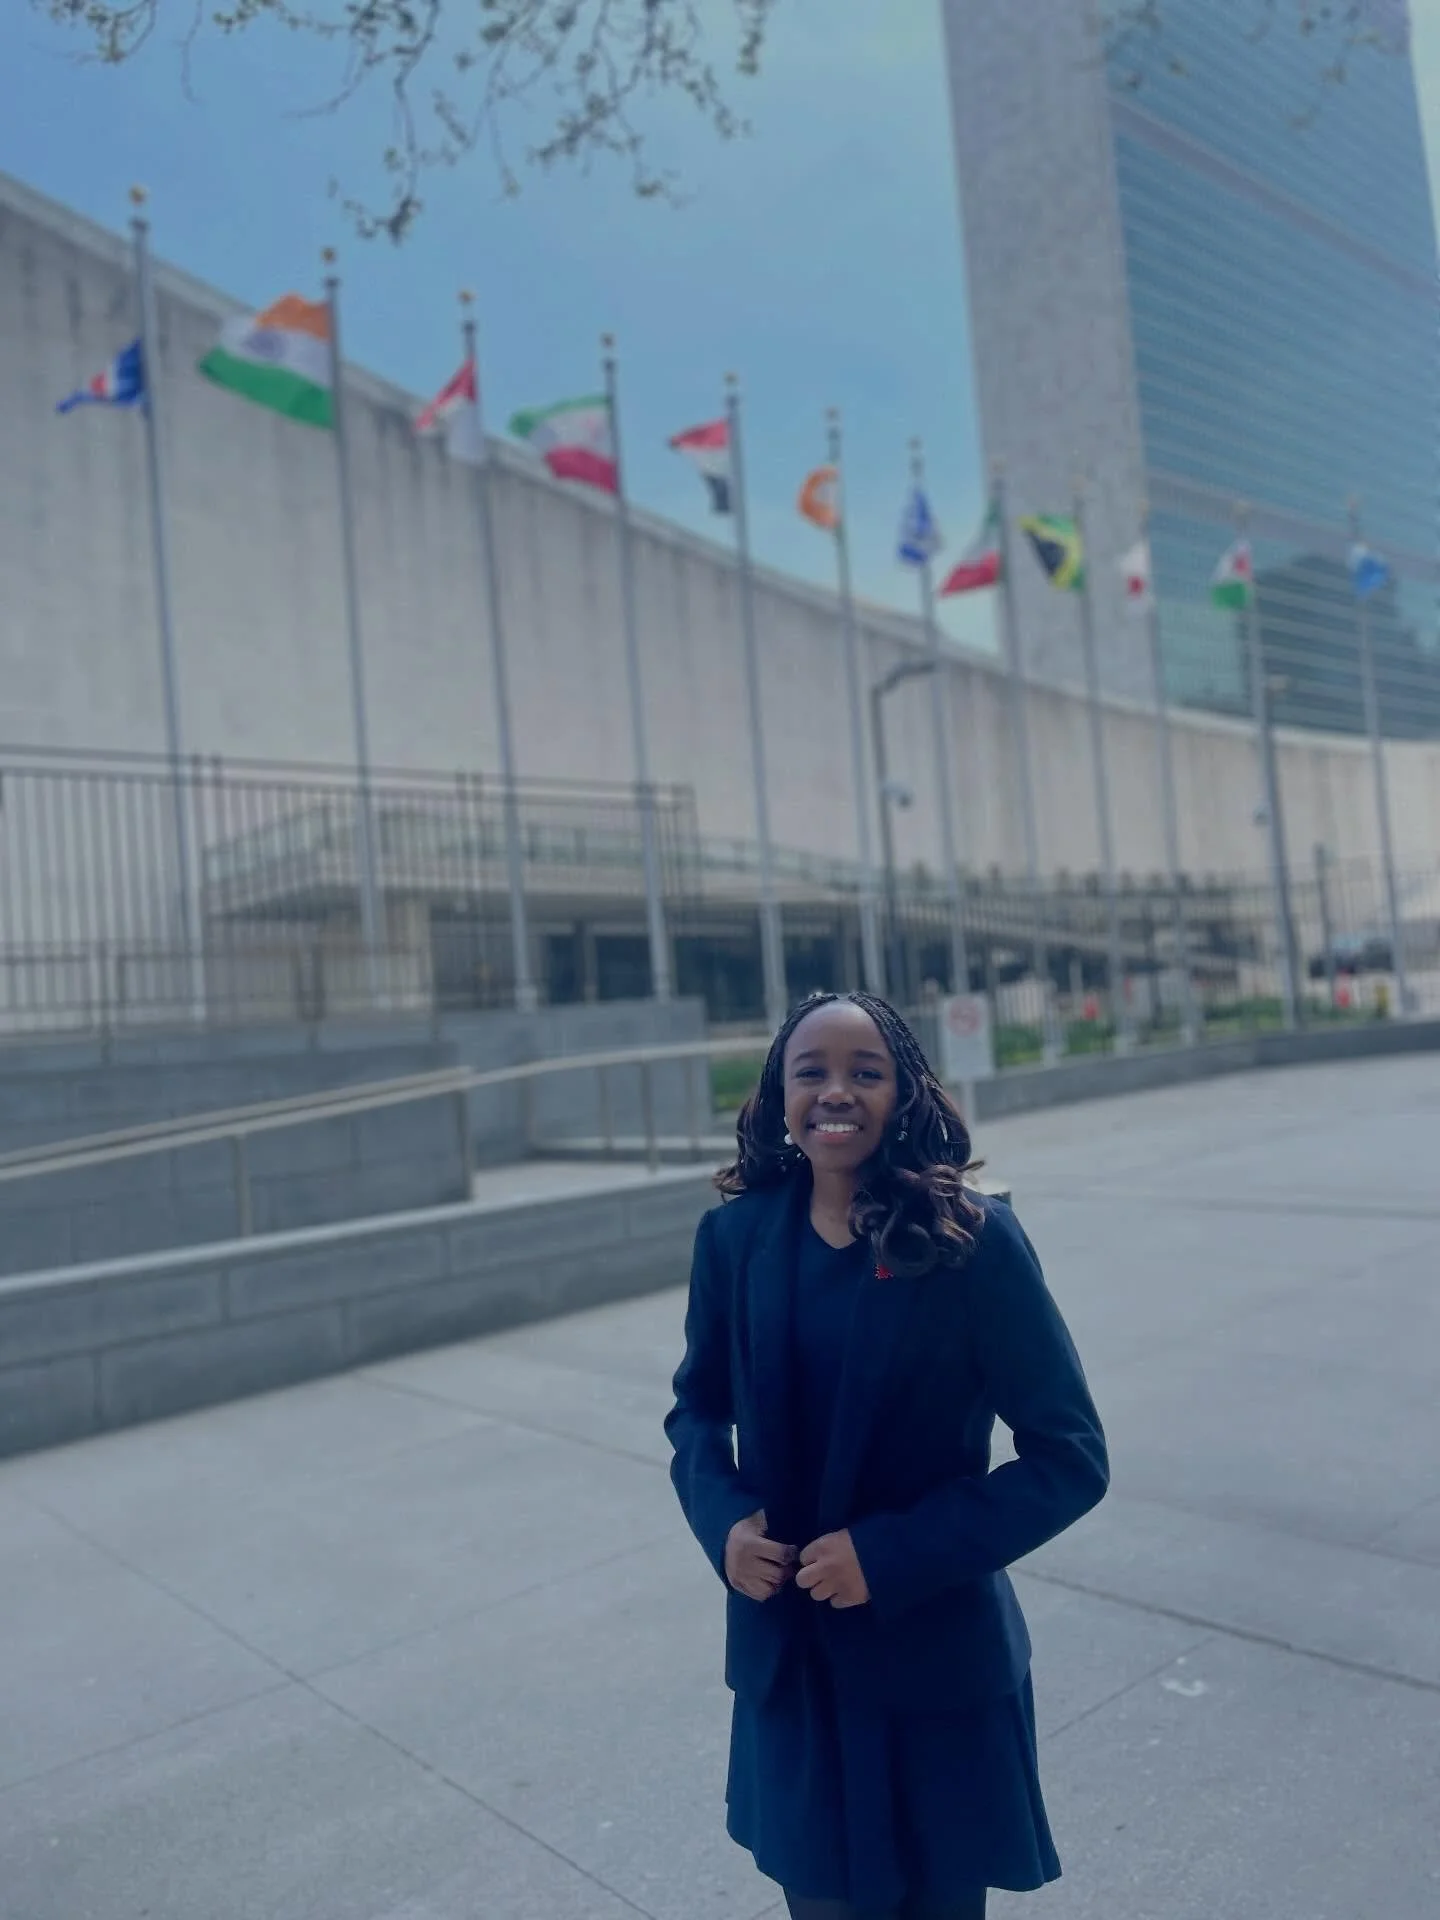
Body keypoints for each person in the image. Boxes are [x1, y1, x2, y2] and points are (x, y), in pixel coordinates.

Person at [665, 991, 1109, 1920]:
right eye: (811, 1071)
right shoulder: (736, 1239)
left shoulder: (974, 1245)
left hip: (930, 1670)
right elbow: (697, 1413)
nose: (837, 1091)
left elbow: (1069, 1457)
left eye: (865, 1072)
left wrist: (890, 1554)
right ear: (779, 1096)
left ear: (904, 1091)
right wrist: (722, 1523)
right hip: (793, 1669)